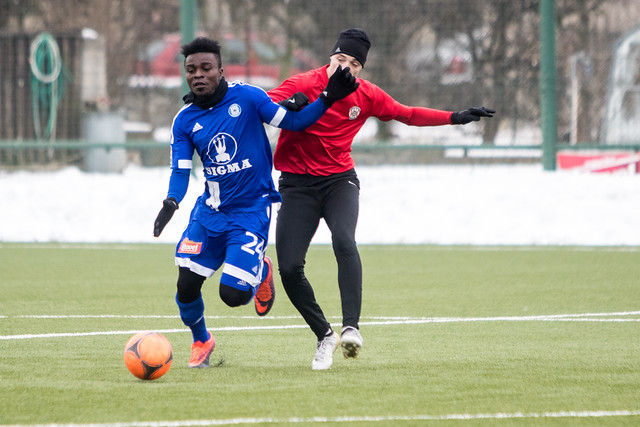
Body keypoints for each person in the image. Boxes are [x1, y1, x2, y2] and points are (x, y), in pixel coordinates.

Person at [268, 28, 495, 370]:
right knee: (288, 268)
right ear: (331, 57)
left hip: (339, 181)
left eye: (354, 63)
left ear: (361, 69)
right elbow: (260, 103)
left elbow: (408, 113)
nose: (345, 66)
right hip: (297, 186)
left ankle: (350, 328)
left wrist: (454, 117)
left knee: (344, 241)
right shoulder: (303, 83)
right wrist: (284, 105)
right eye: (340, 58)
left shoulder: (366, 95)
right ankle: (324, 335)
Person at [152, 36, 359, 368]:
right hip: (209, 214)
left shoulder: (248, 98)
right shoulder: (184, 120)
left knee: (232, 297)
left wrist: (326, 98)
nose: (198, 75)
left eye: (206, 68)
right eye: (191, 70)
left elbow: (294, 122)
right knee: (186, 286)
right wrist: (171, 203)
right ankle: (201, 340)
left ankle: (261, 269)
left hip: (250, 213)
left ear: (221, 69)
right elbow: (180, 170)